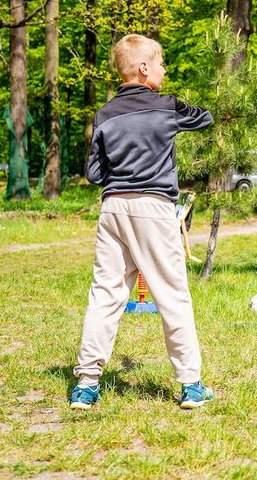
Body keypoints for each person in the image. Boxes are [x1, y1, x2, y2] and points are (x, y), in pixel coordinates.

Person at [71, 34, 214, 410]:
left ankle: (86, 385)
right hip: (153, 207)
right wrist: (171, 110)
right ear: (144, 68)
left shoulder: (104, 114)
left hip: (113, 209)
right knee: (172, 293)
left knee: (105, 295)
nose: (164, 70)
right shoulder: (165, 106)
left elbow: (94, 174)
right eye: (161, 63)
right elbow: (205, 118)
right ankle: (191, 383)